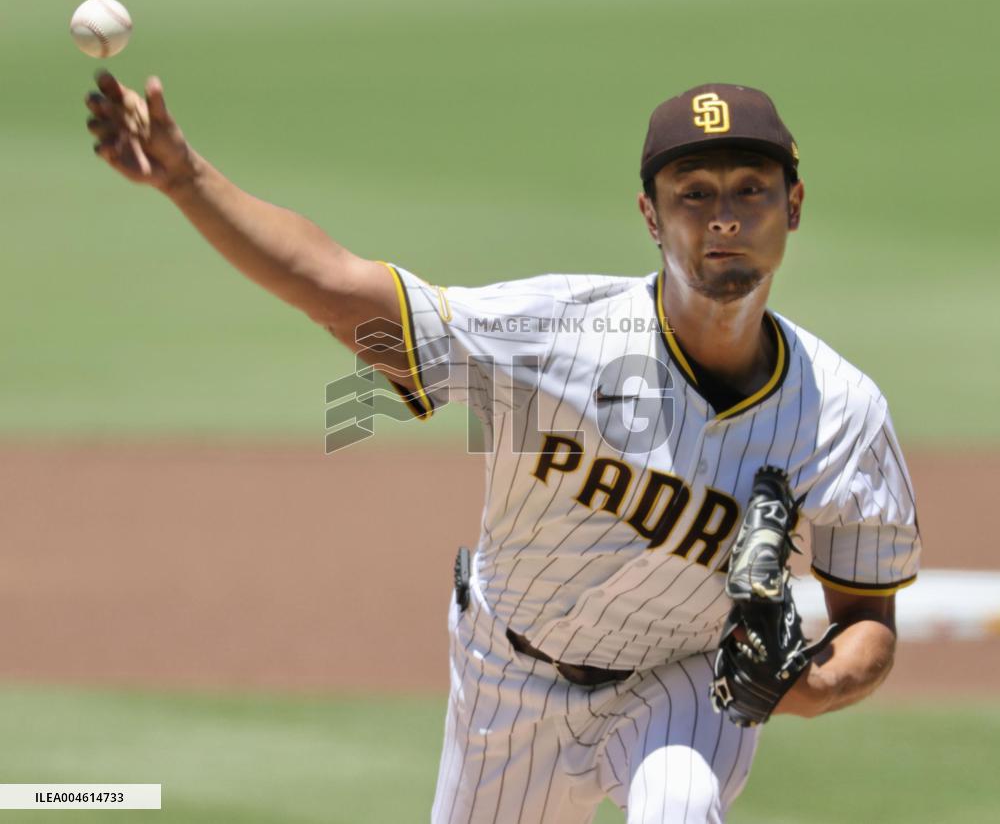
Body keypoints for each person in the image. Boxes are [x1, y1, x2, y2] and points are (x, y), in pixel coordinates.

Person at [85, 75, 920, 822]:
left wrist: (804, 687)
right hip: (508, 676)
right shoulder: (557, 338)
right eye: (693, 193)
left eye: (752, 189)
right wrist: (190, 181)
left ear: (794, 205)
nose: (726, 216)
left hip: (684, 680)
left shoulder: (842, 412)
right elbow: (339, 288)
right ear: (649, 215)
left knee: (682, 805)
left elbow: (867, 622)